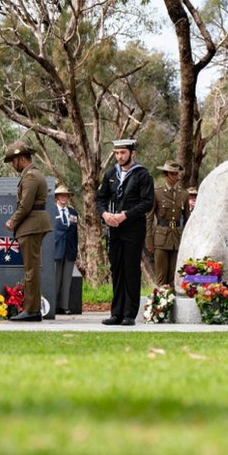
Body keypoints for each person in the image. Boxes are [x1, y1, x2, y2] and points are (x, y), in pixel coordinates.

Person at [96, 139, 154, 326]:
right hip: (113, 230)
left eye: (123, 153)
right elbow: (100, 199)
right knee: (116, 270)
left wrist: (125, 215)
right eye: (116, 153)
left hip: (133, 229)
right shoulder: (111, 173)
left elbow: (147, 203)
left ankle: (129, 314)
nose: (119, 156)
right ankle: (116, 313)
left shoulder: (142, 174)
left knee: (130, 270)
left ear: (132, 153)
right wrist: (104, 214)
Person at [4, 140, 52, 322]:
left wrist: (13, 221)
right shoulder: (31, 175)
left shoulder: (31, 177)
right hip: (33, 225)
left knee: (31, 270)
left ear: (21, 159)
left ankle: (31, 310)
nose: (13, 165)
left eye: (13, 161)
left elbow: (25, 205)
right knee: (31, 269)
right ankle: (32, 309)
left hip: (31, 226)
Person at [147, 161, 190, 287]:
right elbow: (149, 218)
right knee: (161, 276)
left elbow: (187, 219)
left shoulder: (184, 194)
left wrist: (186, 240)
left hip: (177, 238)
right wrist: (149, 240)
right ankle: (160, 304)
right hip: (160, 238)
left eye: (177, 173)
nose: (176, 176)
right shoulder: (157, 193)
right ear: (166, 175)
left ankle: (172, 303)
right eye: (173, 173)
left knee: (173, 276)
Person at [53, 185, 79, 315]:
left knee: (67, 280)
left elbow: (75, 234)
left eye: (66, 195)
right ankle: (52, 305)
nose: (64, 197)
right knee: (55, 279)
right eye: (61, 195)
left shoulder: (73, 213)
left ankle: (64, 306)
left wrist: (76, 249)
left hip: (70, 250)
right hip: (56, 249)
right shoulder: (51, 212)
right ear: (56, 197)